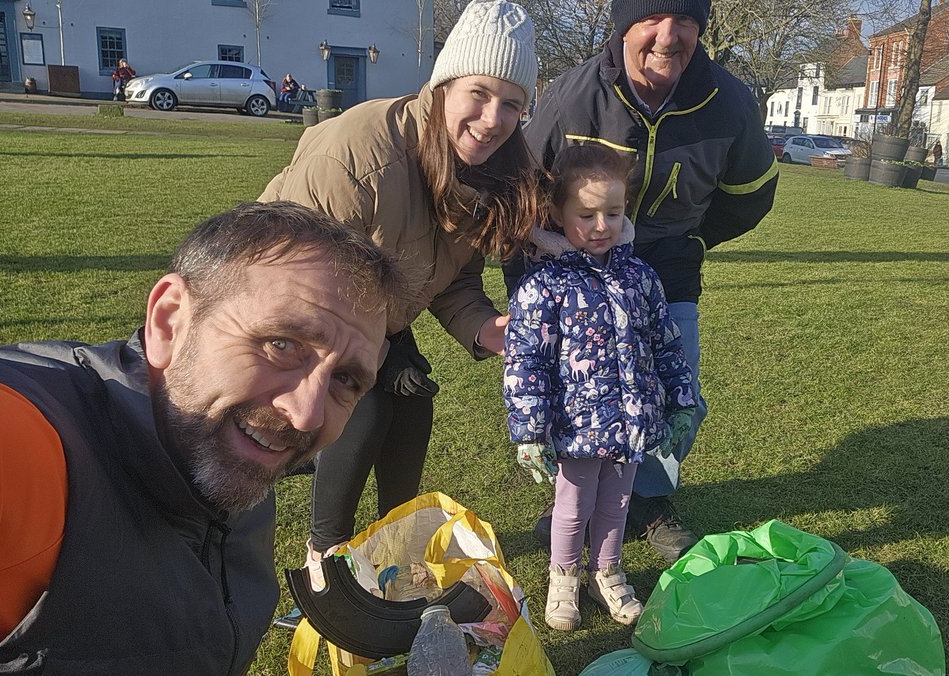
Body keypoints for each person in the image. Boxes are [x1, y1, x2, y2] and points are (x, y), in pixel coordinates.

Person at [0, 201, 403, 673]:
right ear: (169, 321)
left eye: (346, 379)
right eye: (280, 344)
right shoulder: (30, 441)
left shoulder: (226, 446)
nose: (306, 414)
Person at [259, 0, 544, 586]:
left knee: (413, 405)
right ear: (443, 86)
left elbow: (452, 275)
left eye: (512, 104)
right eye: (480, 94)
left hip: (374, 312)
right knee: (363, 403)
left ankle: (391, 550)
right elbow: (303, 280)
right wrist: (377, 358)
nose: (493, 119)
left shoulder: (487, 167)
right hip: (280, 307)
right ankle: (328, 560)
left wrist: (490, 330)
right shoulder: (359, 154)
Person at [514, 0, 778, 563]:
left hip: (669, 263)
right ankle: (575, 495)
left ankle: (651, 500)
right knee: (578, 389)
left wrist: (691, 240)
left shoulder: (728, 101)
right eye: (653, 17)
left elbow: (751, 195)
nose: (669, 35)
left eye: (685, 19)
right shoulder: (572, 96)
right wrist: (529, 282)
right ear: (623, 25)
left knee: (678, 391)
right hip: (576, 270)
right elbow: (524, 194)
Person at [504, 144, 696, 630]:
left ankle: (606, 572)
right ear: (558, 213)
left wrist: (679, 404)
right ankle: (563, 576)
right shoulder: (543, 285)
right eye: (585, 214)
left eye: (612, 212)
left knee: (617, 504)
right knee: (573, 506)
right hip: (575, 426)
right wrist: (530, 432)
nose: (600, 226)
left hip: (631, 422)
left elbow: (666, 346)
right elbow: (525, 361)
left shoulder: (641, 277)